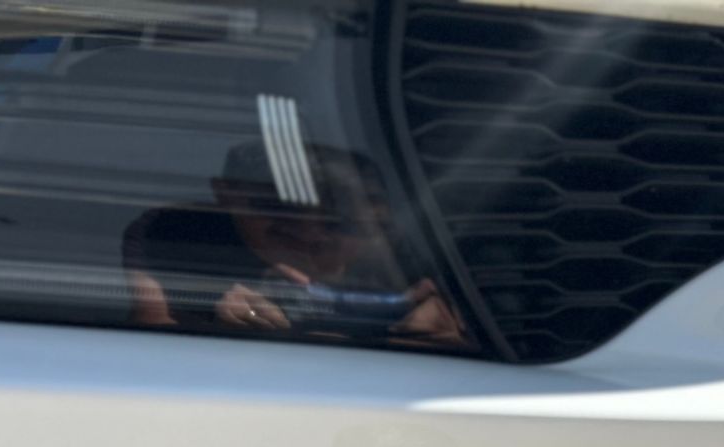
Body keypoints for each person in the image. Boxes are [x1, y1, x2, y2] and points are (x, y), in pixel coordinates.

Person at [122, 140, 466, 348]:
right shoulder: (178, 236)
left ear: (384, 218)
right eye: (278, 208)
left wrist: (453, 339)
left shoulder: (423, 254)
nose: (310, 232)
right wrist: (216, 330)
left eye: (341, 219)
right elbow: (152, 334)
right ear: (225, 195)